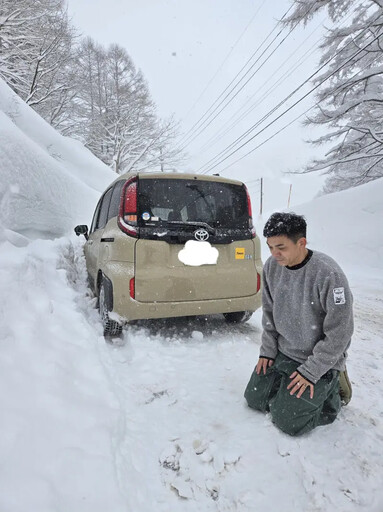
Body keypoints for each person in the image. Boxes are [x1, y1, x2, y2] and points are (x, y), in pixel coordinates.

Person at [244, 212, 353, 436]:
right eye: (270, 247)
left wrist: (311, 372)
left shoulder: (329, 274)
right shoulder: (272, 268)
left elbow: (340, 334)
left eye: (281, 247)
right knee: (254, 399)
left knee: (288, 421)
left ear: (301, 242)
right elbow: (269, 315)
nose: (275, 254)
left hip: (318, 359)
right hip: (285, 352)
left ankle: (333, 391)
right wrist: (267, 352)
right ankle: (290, 385)